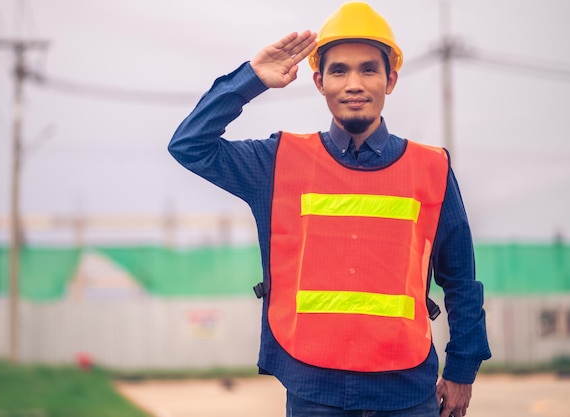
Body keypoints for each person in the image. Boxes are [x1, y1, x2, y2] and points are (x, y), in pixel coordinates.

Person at [168, 2, 491, 416]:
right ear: (319, 81)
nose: (353, 83)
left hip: (407, 391)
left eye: (368, 69)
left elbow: (461, 278)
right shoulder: (278, 161)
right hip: (313, 390)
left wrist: (463, 369)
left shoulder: (432, 169)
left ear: (390, 79)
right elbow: (189, 145)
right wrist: (251, 80)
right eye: (339, 70)